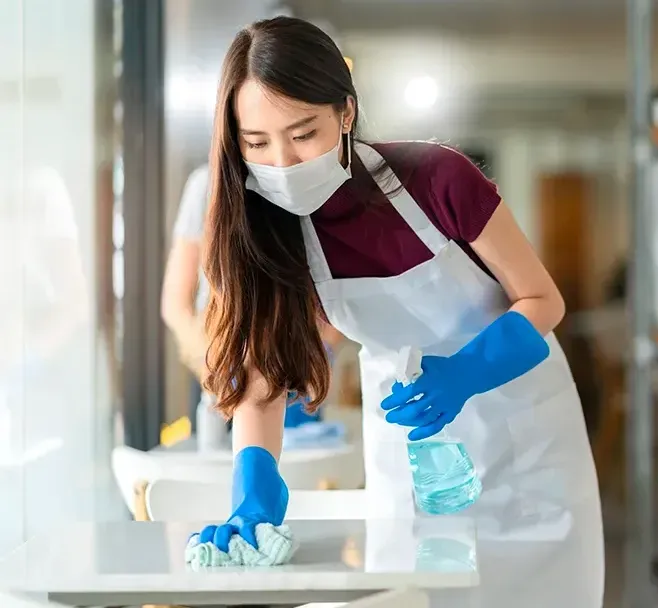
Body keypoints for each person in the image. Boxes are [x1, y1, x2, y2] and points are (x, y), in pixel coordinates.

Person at [193, 16, 603, 607]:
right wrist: (253, 485)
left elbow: (543, 299)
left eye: (304, 133)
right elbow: (263, 375)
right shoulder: (270, 229)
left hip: (524, 432)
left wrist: (466, 371)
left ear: (346, 114)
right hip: (411, 443)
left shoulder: (437, 179)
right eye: (257, 143)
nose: (282, 162)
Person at [162, 164, 343, 433]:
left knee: (296, 468)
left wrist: (321, 353)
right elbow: (175, 303)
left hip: (296, 368)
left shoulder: (309, 182)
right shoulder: (206, 185)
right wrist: (210, 366)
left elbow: (340, 290)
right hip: (220, 370)